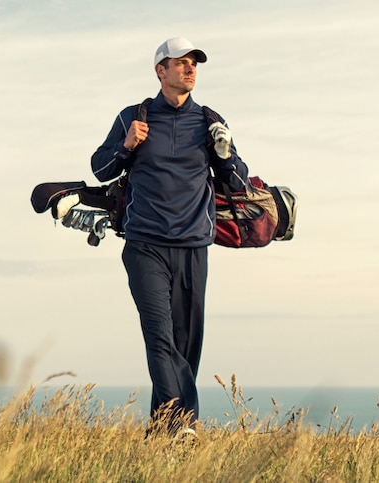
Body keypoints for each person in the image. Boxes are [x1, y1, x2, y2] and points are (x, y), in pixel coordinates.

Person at [91, 37, 250, 434]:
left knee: (186, 346)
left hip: (194, 245)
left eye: (194, 62)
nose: (190, 68)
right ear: (161, 71)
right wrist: (126, 147)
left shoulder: (210, 122)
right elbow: (100, 169)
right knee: (160, 337)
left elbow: (239, 181)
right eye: (181, 63)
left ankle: (162, 435)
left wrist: (225, 154)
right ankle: (183, 426)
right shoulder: (134, 117)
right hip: (145, 243)